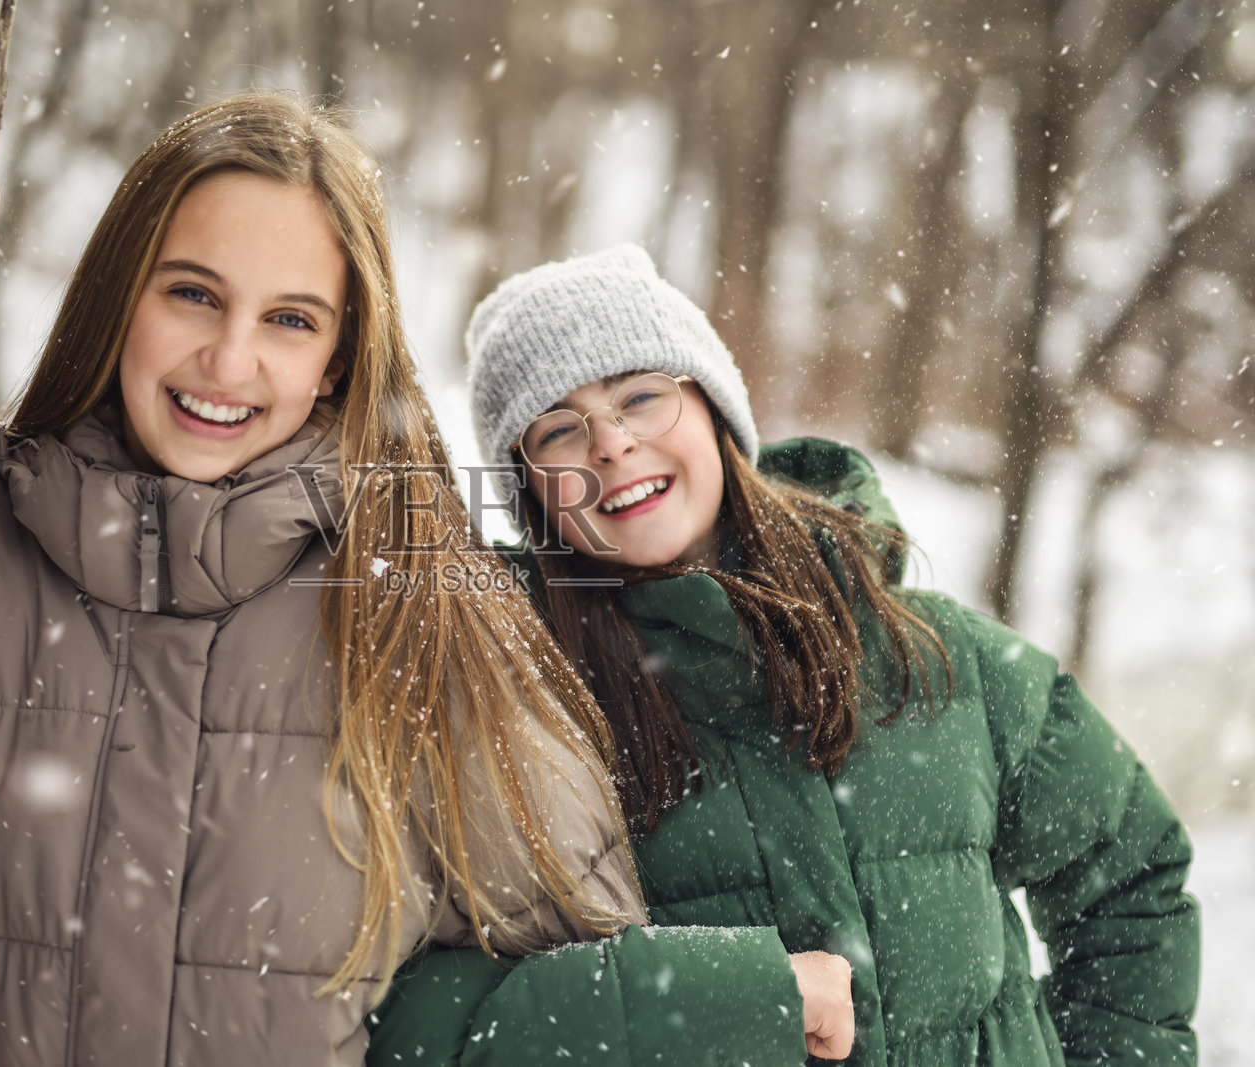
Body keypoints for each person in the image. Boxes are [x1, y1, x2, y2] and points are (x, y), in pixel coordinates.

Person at [0, 93, 659, 1066]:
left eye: (288, 318)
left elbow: (600, 988)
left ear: (336, 359)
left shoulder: (414, 596)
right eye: (193, 294)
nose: (229, 360)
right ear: (119, 296)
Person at [366, 245, 1200, 1066]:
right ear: (534, 495)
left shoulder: (936, 656)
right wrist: (730, 996)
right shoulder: (515, 721)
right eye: (557, 428)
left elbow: (1133, 875)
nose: (610, 443)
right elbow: (416, 1024)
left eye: (642, 395)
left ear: (713, 409)